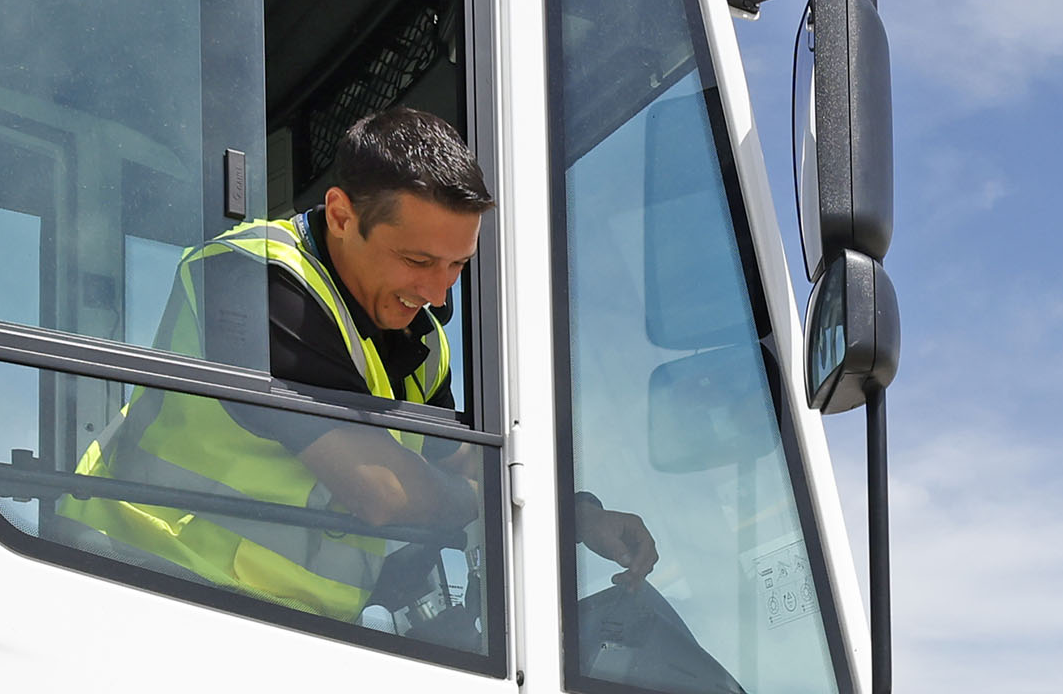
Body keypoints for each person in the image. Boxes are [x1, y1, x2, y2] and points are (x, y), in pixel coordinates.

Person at [73, 106, 654, 628]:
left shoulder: (417, 336)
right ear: (342, 216)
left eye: (458, 264)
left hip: (281, 622)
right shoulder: (252, 279)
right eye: (418, 260)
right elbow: (383, 492)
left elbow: (459, 454)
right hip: (136, 583)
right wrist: (477, 499)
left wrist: (576, 515)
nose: (436, 291)